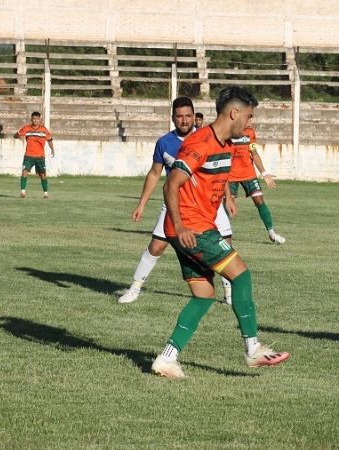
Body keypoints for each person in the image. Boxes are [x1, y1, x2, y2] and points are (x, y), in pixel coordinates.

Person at [151, 86, 289, 379]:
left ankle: (166, 359)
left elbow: (214, 179)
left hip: (195, 226)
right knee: (241, 275)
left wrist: (227, 197)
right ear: (234, 113)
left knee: (203, 295)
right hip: (192, 228)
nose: (250, 123)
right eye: (249, 117)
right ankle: (252, 348)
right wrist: (181, 225)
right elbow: (171, 184)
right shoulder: (200, 143)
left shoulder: (226, 145)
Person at [118, 97, 233, 305]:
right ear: (172, 118)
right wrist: (141, 204)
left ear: (194, 116)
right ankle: (134, 289)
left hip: (208, 203)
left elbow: (220, 169)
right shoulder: (164, 143)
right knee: (156, 246)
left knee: (225, 244)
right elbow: (155, 173)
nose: (184, 120)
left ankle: (229, 295)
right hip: (176, 203)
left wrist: (229, 198)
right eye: (179, 116)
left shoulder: (206, 138)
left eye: (188, 116)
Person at [228, 124, 286, 244]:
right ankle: (223, 234)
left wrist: (264, 173)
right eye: (248, 117)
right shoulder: (228, 130)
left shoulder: (250, 132)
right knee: (229, 205)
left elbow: (254, 153)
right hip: (230, 175)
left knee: (259, 201)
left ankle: (271, 233)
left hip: (248, 173)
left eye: (251, 118)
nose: (250, 121)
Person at [15, 111, 54, 199]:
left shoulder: (44, 130)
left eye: (37, 119)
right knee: (24, 172)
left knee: (43, 175)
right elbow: (17, 134)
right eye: (34, 119)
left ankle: (45, 194)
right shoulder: (27, 128)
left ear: (40, 119)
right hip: (29, 155)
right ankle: (22, 192)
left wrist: (52, 149)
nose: (35, 120)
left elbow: (50, 140)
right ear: (31, 119)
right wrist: (17, 136)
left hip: (40, 156)